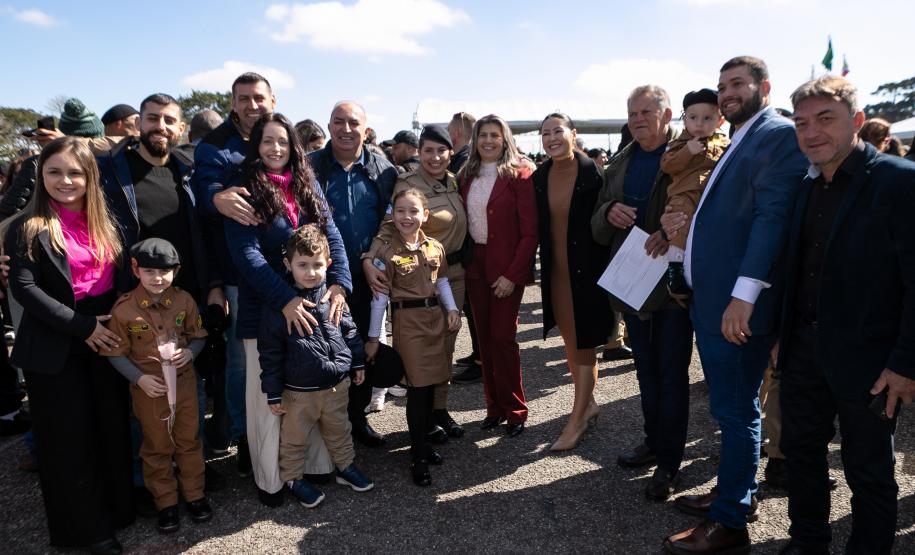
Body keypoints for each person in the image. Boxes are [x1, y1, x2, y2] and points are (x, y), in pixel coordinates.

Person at [661, 56, 808, 554]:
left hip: (737, 310)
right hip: (714, 301)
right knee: (730, 409)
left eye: (737, 84)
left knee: (736, 410)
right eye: (722, 86)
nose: (726, 93)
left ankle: (729, 523)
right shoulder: (741, 138)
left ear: (764, 87)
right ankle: (732, 492)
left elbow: (771, 221)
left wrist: (742, 297)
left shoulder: (776, 135)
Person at [778, 75, 915, 555]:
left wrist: (905, 364)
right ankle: (807, 541)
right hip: (801, 351)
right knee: (801, 456)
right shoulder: (804, 185)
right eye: (800, 123)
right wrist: (781, 335)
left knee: (869, 471)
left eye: (824, 119)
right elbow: (793, 267)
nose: (811, 132)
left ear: (856, 121)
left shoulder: (900, 181)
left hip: (872, 363)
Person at [2, 136, 133, 555]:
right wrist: (82, 327)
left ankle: (116, 509)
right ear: (41, 174)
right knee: (68, 443)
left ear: (90, 176)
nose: (65, 180)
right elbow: (24, 289)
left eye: (75, 172)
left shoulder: (107, 222)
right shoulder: (28, 226)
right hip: (56, 344)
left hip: (106, 339)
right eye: (55, 171)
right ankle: (86, 530)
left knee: (109, 430)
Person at [97, 92, 227, 501]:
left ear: (181, 128)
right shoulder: (111, 171)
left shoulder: (187, 172)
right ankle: (150, 483)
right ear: (138, 123)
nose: (161, 127)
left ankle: (193, 476)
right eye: (153, 119)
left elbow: (206, 234)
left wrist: (213, 285)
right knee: (145, 390)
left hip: (185, 297)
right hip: (133, 296)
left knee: (189, 386)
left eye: (170, 120)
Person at [225, 113, 351, 506]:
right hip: (266, 310)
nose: (275, 148)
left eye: (282, 141)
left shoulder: (307, 182)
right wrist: (285, 299)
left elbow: (332, 237)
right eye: (267, 141)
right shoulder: (244, 189)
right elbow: (246, 256)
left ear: (293, 145)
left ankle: (312, 469)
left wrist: (340, 285)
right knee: (271, 401)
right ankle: (272, 480)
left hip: (314, 309)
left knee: (309, 392)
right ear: (255, 145)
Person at [591, 85, 693, 501]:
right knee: (646, 373)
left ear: (667, 115)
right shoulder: (621, 161)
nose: (637, 119)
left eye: (646, 112)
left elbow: (700, 212)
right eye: (632, 112)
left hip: (671, 289)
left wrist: (670, 232)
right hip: (632, 282)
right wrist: (608, 213)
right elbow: (596, 221)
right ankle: (653, 443)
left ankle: (670, 464)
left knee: (672, 376)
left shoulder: (689, 158)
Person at [193, 72, 277, 477]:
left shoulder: (281, 136)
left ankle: (279, 430)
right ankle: (245, 437)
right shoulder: (213, 145)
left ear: (272, 100)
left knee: (281, 351)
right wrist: (216, 197)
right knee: (242, 361)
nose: (251, 105)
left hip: (280, 267)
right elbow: (204, 196)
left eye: (258, 97)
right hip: (236, 271)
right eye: (243, 98)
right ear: (233, 102)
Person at [362, 124, 467, 437]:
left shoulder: (453, 181)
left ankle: (439, 410)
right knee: (423, 351)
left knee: (446, 347)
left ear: (451, 153)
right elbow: (389, 225)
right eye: (428, 150)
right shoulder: (407, 182)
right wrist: (370, 259)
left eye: (441, 151)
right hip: (419, 278)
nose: (435, 157)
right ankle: (423, 417)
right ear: (419, 152)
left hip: (452, 275)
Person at [102, 238, 212, 534]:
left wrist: (190, 352)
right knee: (156, 447)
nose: (158, 278)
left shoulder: (184, 300)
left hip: (185, 384)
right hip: (149, 390)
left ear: (176, 271)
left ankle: (195, 495)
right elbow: (115, 352)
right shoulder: (124, 310)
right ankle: (166, 503)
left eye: (165, 271)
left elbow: (199, 335)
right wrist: (138, 378)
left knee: (189, 440)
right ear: (136, 270)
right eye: (149, 271)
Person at [259, 225, 374, 508]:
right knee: (294, 439)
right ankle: (293, 479)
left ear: (329, 264)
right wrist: (273, 393)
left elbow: (349, 332)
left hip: (336, 386)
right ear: (288, 264)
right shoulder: (281, 305)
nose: (310, 272)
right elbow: (270, 353)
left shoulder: (333, 298)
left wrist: (357, 362)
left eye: (317, 265)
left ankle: (345, 467)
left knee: (339, 430)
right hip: (298, 393)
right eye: (302, 265)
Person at [308, 100, 397, 446]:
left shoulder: (385, 171)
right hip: (320, 278)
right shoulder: (310, 168)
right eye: (338, 122)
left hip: (368, 276)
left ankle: (356, 418)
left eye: (353, 123)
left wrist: (375, 260)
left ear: (366, 129)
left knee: (363, 349)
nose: (346, 129)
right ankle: (324, 430)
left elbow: (390, 224)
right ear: (328, 126)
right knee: (324, 350)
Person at [365, 188, 461, 486]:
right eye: (401, 210)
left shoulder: (435, 247)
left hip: (436, 322)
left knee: (433, 384)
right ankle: (418, 455)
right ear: (392, 214)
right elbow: (379, 298)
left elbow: (442, 280)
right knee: (418, 391)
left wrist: (452, 308)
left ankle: (424, 442)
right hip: (408, 325)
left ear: (425, 215)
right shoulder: (385, 250)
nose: (407, 217)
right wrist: (373, 338)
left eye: (414, 211)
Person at [534, 113, 611, 451]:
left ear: (573, 134)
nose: (552, 138)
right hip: (556, 275)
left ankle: (578, 418)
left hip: (588, 274)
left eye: (558, 131)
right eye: (545, 133)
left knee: (584, 346)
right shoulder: (540, 176)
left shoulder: (593, 174)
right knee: (570, 342)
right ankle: (589, 405)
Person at [459, 114, 537, 437]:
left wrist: (512, 275)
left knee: (504, 339)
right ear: (474, 139)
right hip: (475, 265)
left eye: (494, 135)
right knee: (485, 342)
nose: (488, 141)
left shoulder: (520, 174)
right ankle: (494, 408)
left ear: (504, 138)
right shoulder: (466, 174)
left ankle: (515, 409)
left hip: (506, 267)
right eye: (482, 135)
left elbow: (530, 232)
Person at [660, 89, 729, 301]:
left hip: (711, 196)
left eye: (707, 118)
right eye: (693, 118)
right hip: (684, 195)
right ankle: (675, 270)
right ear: (685, 119)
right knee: (679, 224)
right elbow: (667, 165)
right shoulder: (678, 144)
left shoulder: (726, 143)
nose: (699, 123)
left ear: (720, 120)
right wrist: (687, 151)